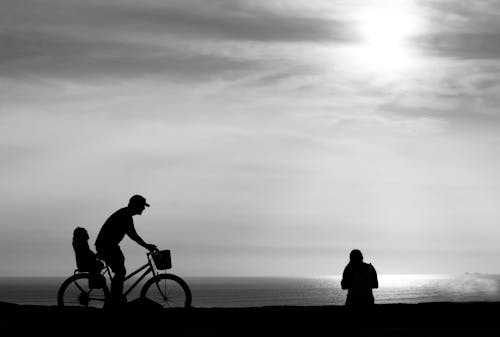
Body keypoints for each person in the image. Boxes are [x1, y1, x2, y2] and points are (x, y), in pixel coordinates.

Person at [95, 195, 157, 306]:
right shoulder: (125, 216)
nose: (143, 208)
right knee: (120, 272)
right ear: (135, 205)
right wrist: (147, 246)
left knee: (120, 269)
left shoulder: (125, 214)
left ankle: (115, 299)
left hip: (109, 245)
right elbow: (133, 236)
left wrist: (146, 245)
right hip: (106, 246)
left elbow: (133, 235)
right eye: (142, 206)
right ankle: (114, 301)